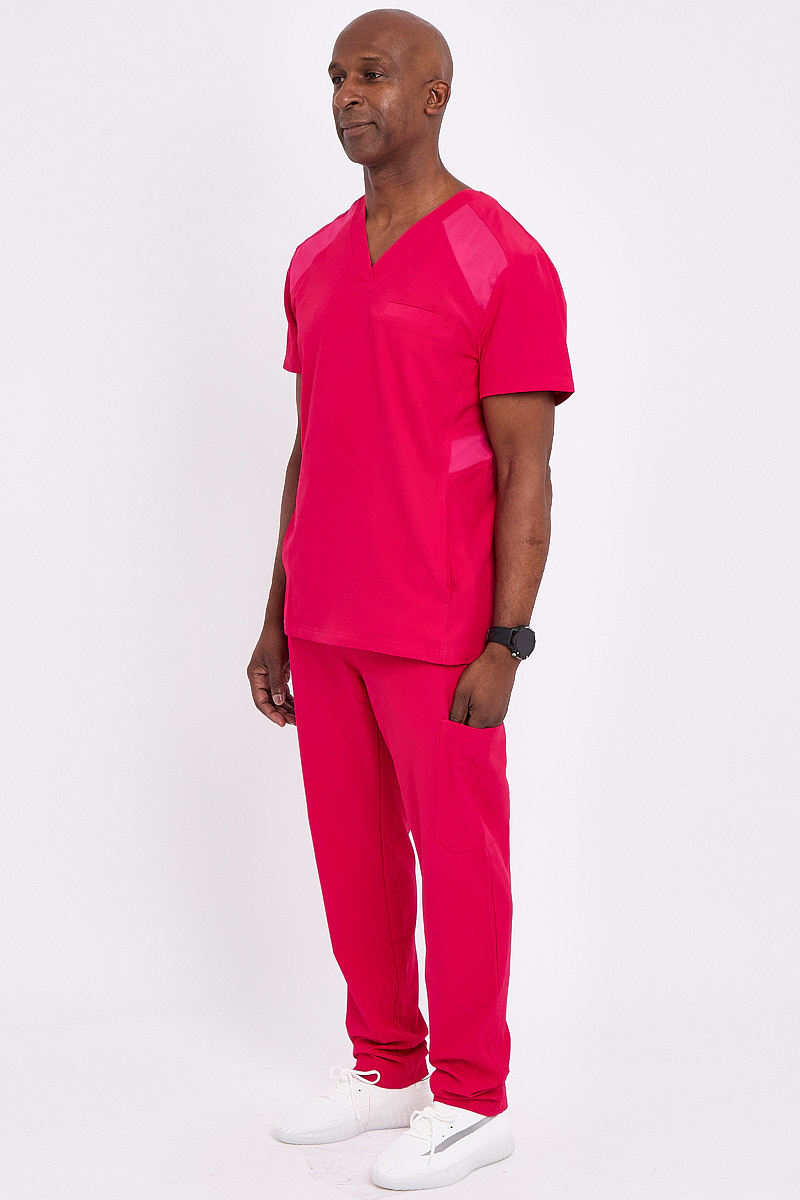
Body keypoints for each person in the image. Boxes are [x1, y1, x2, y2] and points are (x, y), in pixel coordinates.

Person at [247, 7, 575, 1190]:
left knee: (460, 863)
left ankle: (472, 1097)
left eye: (373, 75)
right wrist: (273, 615)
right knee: (354, 857)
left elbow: (526, 467)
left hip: (438, 626)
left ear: (432, 95)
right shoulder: (313, 260)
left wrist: (506, 640)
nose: (347, 94)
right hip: (325, 618)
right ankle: (386, 1063)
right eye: (336, 75)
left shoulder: (502, 257)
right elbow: (312, 442)